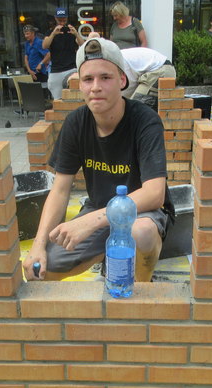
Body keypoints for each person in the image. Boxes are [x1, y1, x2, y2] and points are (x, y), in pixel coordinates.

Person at [23, 37, 174, 283]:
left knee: (141, 233)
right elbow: (60, 190)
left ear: (122, 80)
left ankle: (140, 287)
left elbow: (154, 194)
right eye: (88, 79)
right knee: (41, 270)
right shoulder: (76, 123)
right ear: (79, 84)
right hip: (99, 210)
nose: (96, 87)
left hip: (142, 213)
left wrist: (89, 223)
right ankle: (109, 258)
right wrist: (38, 245)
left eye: (105, 77)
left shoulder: (145, 121)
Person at [42, 7, 84, 100]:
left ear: (67, 18)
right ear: (55, 19)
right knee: (57, 100)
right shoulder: (50, 32)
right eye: (59, 19)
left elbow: (83, 45)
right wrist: (53, 34)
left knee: (74, 99)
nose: (62, 22)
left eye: (64, 19)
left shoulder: (71, 30)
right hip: (56, 69)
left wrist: (76, 34)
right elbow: (44, 46)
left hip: (71, 68)